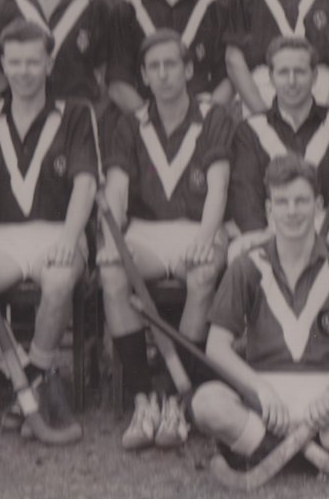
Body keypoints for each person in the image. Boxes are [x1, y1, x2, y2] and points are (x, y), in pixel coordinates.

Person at [192, 154, 329, 468]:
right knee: (205, 403)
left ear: (318, 206)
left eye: (301, 201)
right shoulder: (246, 265)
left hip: (327, 395)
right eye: (282, 202)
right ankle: (315, 453)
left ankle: (269, 451)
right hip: (267, 397)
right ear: (269, 210)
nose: (291, 211)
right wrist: (260, 390)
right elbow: (216, 347)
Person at [0, 19, 98, 436]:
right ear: (3, 66)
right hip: (1, 235)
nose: (24, 71)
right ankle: (26, 377)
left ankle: (35, 374)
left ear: (49, 64)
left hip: (56, 230)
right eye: (15, 63)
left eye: (33, 62)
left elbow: (85, 184)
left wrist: (69, 239)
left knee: (59, 279)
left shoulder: (76, 114)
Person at [99, 28, 234, 451]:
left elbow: (218, 187)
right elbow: (116, 187)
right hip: (147, 231)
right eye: (153, 67)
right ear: (143, 75)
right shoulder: (130, 122)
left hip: (198, 226)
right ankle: (143, 399)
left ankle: (178, 399)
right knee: (112, 271)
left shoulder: (214, 117)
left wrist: (206, 238)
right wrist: (113, 238)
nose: (163, 74)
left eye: (171, 64)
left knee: (202, 273)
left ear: (188, 69)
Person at [228, 36, 329, 260]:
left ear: (315, 76)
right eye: (283, 72)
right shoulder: (249, 130)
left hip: (326, 229)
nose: (292, 81)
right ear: (271, 77)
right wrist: (260, 232)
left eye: (300, 72)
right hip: (269, 229)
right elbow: (244, 190)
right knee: (239, 254)